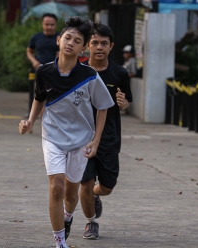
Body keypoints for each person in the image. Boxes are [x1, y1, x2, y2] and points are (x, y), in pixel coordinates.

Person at [19, 17, 114, 248]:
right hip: (52, 136)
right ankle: (59, 243)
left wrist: (96, 139)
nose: (71, 43)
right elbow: (39, 97)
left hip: (81, 140)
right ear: (59, 40)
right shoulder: (44, 71)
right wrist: (30, 121)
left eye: (77, 41)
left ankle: (68, 217)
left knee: (71, 195)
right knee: (57, 187)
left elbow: (103, 107)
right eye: (67, 38)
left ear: (83, 48)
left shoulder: (89, 76)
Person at [79, 23, 132, 240]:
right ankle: (90, 222)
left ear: (111, 46)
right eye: (94, 43)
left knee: (107, 186)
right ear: (87, 46)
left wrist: (123, 103)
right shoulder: (78, 71)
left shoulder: (120, 72)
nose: (99, 47)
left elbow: (127, 101)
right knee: (85, 182)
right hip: (82, 137)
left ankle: (94, 196)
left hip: (110, 137)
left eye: (104, 43)